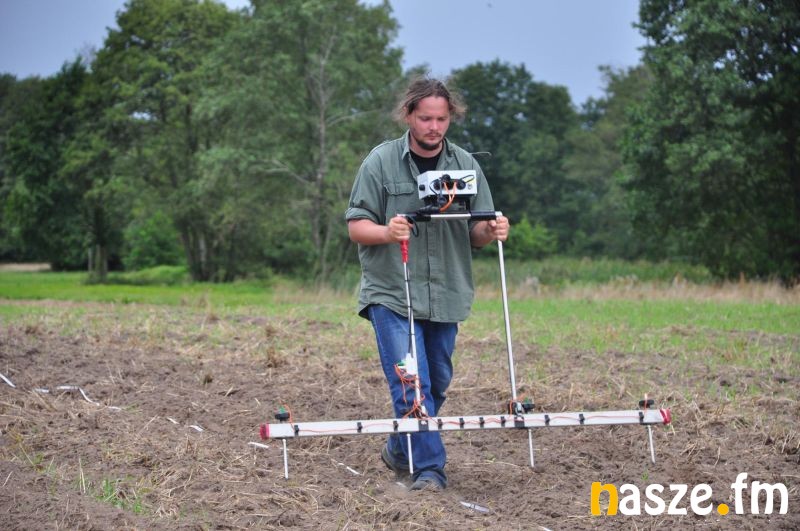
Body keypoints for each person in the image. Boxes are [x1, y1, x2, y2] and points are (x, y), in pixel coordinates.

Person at [345, 78, 509, 491]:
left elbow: (476, 233)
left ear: (450, 117)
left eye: (441, 119)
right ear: (408, 116)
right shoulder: (380, 162)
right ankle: (430, 470)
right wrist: (387, 232)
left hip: (446, 293)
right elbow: (356, 226)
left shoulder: (466, 164)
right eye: (425, 119)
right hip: (392, 293)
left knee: (436, 382)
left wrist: (492, 230)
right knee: (411, 385)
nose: (434, 127)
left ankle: (400, 448)